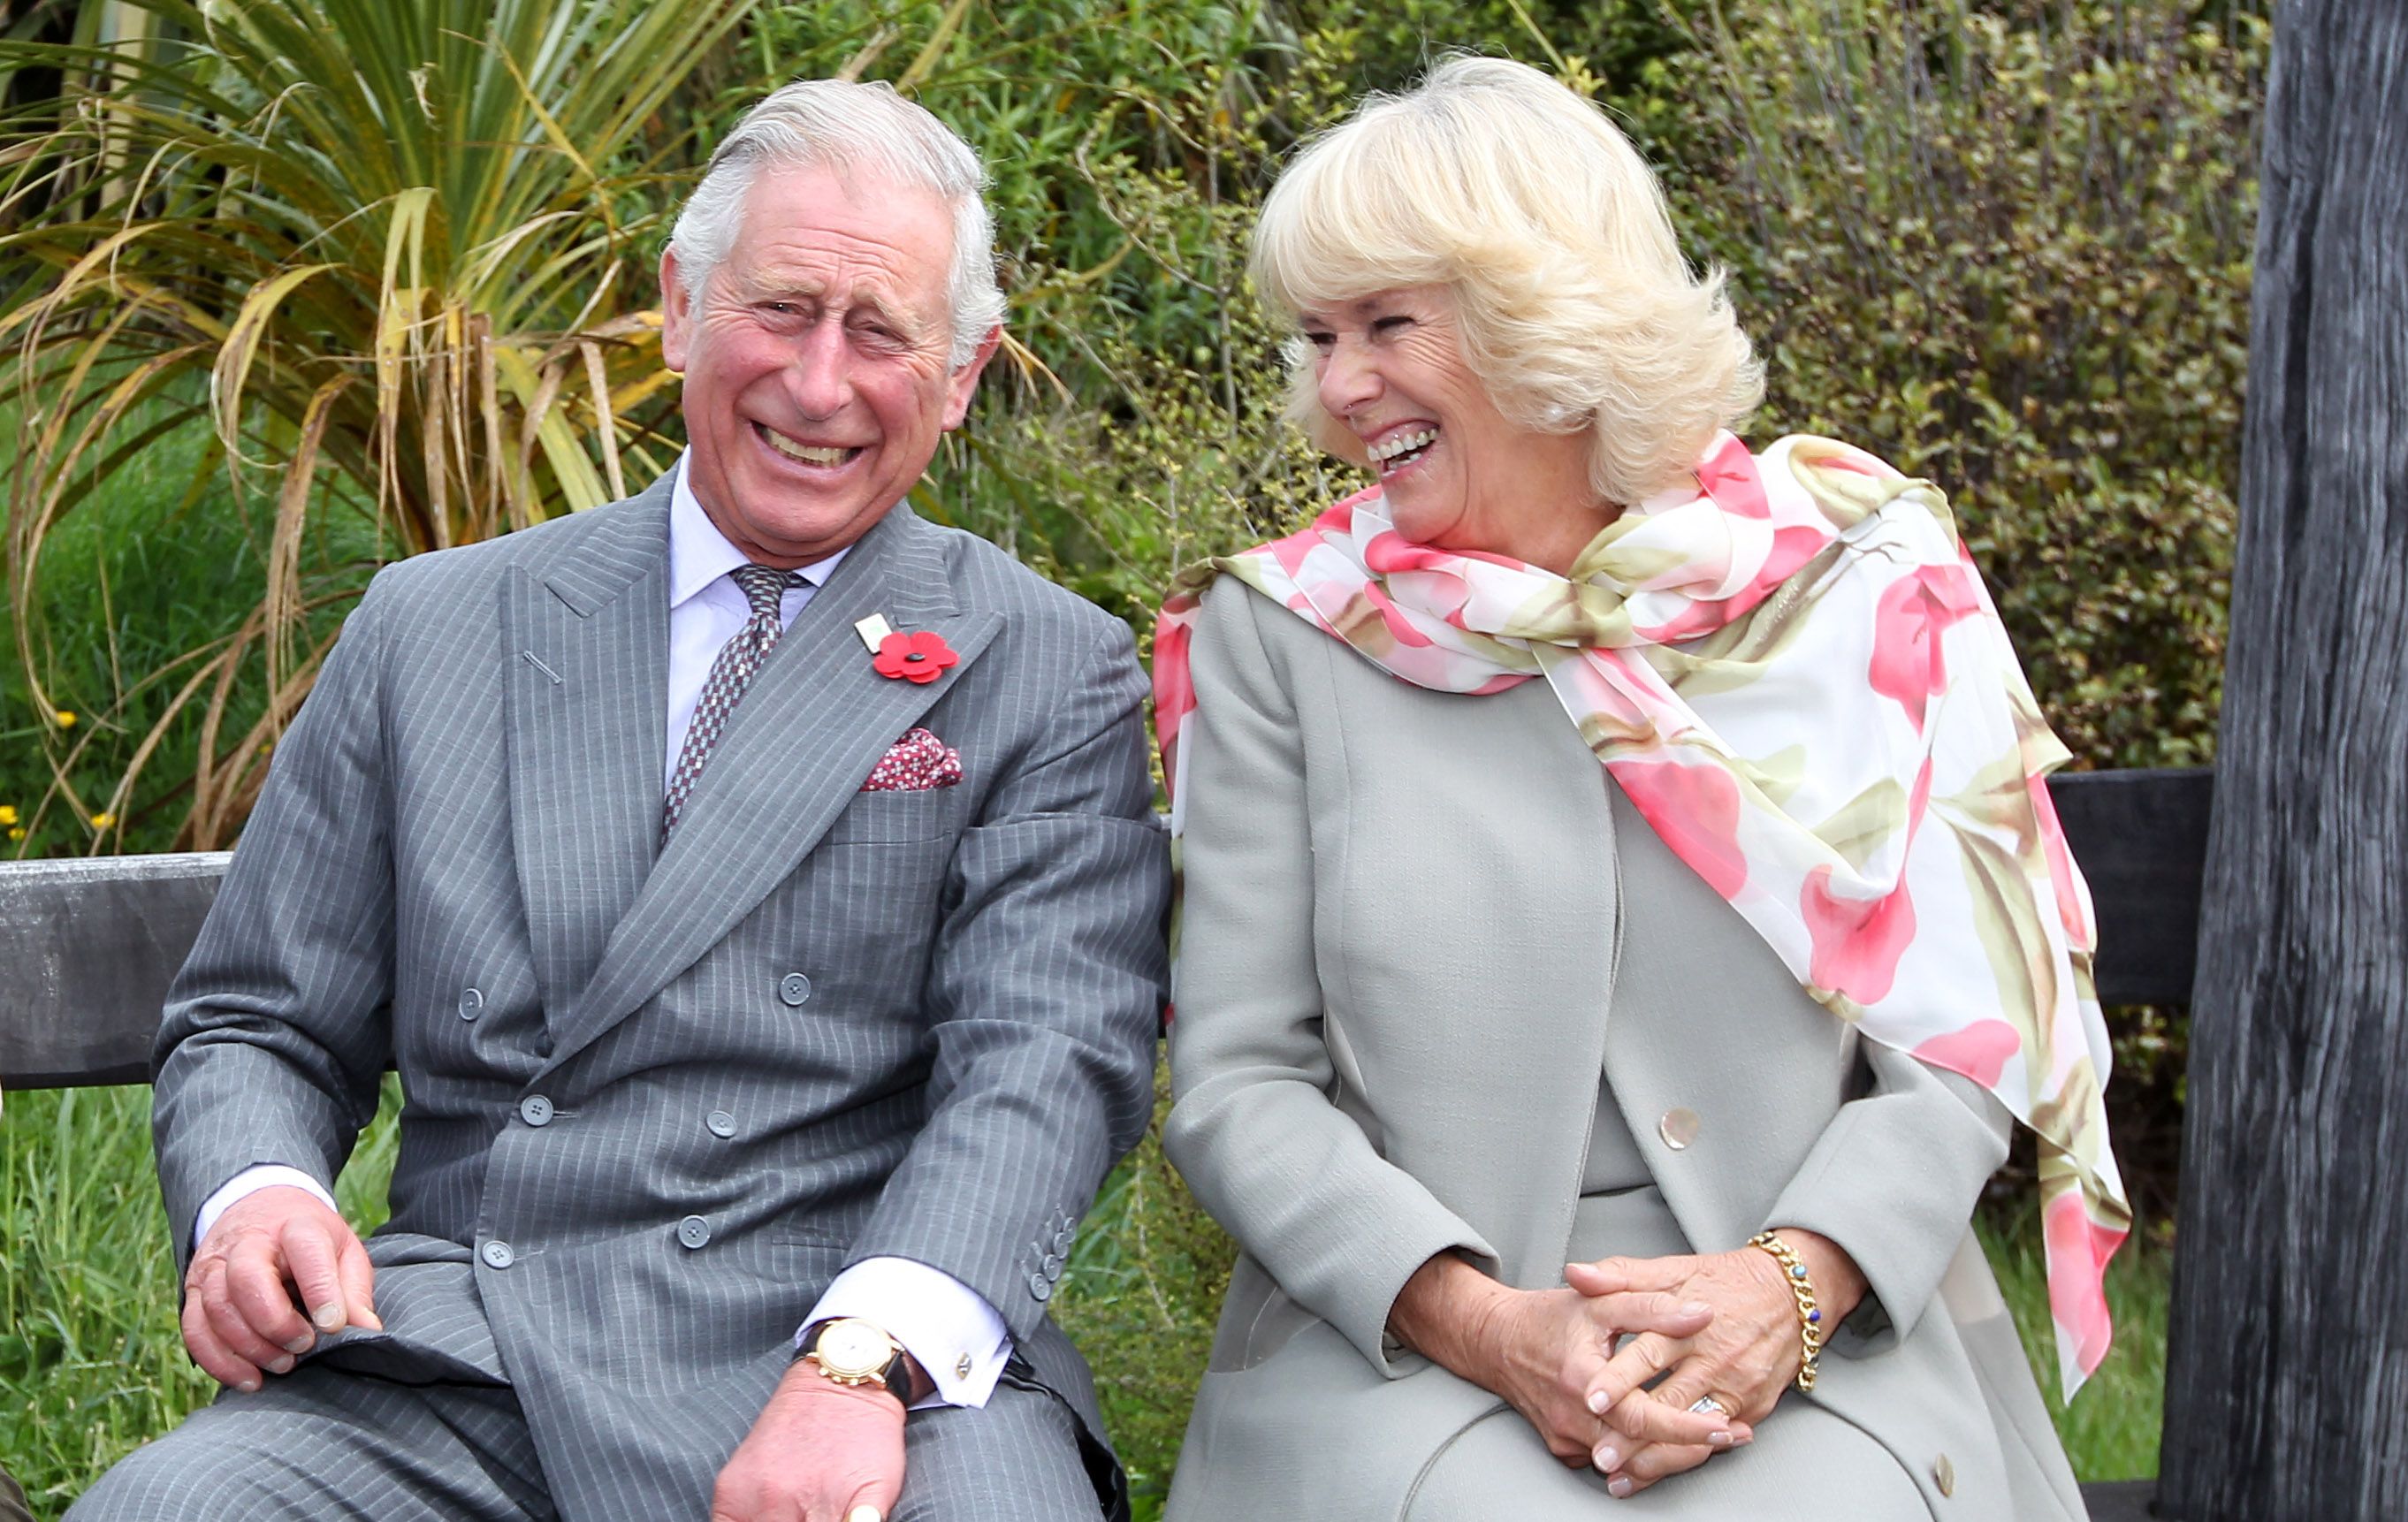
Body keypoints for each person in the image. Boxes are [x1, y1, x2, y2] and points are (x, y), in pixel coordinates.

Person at [71, 79, 1169, 1522]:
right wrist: (256, 1194)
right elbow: (260, 1018)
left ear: (962, 377)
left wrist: (860, 1363)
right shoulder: (434, 624)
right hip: (472, 1355)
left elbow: (1040, 1072)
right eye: (780, 309)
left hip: (869, 1347)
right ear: (679, 309)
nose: (821, 383)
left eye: (882, 333)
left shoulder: (1045, 664)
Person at [1150, 57, 2126, 1520]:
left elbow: (1966, 1034)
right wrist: (1487, 1320)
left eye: (1388, 325)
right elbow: (1238, 1080)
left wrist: (1788, 1287)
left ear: (1542, 316)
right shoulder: (1284, 636)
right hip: (1411, 1351)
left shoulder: (1854, 583)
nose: (1341, 388)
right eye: (1318, 336)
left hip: (1818, 1323)